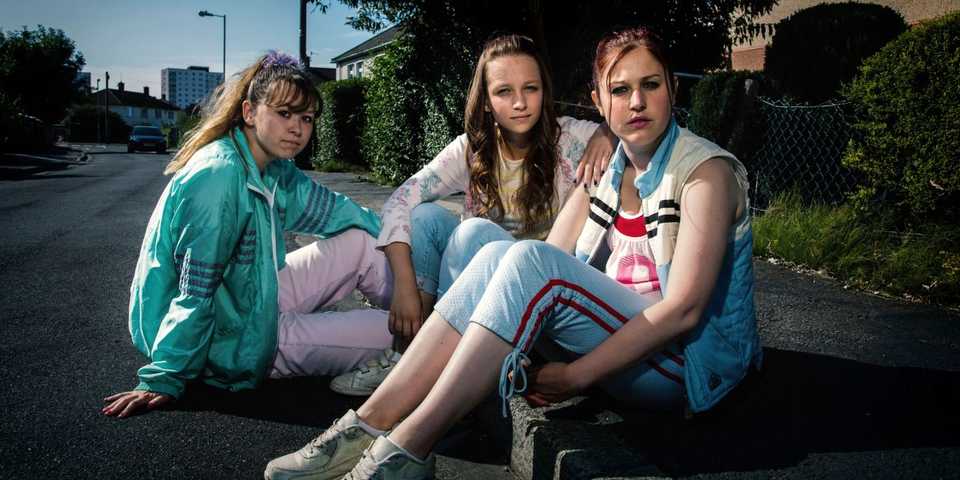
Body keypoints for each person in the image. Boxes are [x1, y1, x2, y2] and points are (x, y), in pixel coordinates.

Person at [265, 26, 762, 480]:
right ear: (599, 101)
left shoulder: (705, 173)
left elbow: (685, 311)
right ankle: (367, 425)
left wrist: (575, 376)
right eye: (619, 90)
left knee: (524, 258)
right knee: (493, 255)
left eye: (650, 85)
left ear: (673, 88)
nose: (636, 101)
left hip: (682, 368)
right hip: (620, 350)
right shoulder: (609, 170)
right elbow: (552, 253)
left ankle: (408, 448)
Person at [102, 51, 396, 418]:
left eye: (306, 118)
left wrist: (398, 244)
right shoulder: (219, 175)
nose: (297, 128)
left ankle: (434, 317)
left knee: (363, 241)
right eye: (284, 113)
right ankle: (436, 343)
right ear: (249, 112)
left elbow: (335, 210)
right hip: (231, 339)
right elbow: (195, 291)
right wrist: (166, 376)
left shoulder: (272, 167)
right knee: (395, 334)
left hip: (253, 298)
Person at [329, 33, 617, 397]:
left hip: (541, 294)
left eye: (530, 88)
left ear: (544, 91)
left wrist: (607, 131)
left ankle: (429, 368)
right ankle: (410, 354)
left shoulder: (572, 138)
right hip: (481, 295)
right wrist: (404, 285)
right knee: (427, 218)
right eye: (503, 92)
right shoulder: (473, 149)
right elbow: (402, 198)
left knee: (473, 233)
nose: (520, 103)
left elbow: (639, 128)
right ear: (486, 101)